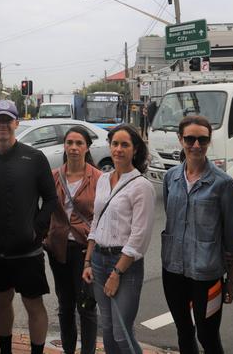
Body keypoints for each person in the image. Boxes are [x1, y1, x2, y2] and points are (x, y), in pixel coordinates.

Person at [0, 100, 58, 354]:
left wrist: (38, 229)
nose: (2, 125)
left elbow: (51, 198)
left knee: (33, 304)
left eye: (7, 120)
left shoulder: (34, 157)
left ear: (16, 123)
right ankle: (5, 351)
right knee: (1, 301)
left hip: (28, 251)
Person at [161, 115, 233, 354]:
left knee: (208, 336)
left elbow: (231, 235)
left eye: (202, 139)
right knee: (184, 331)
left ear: (209, 140)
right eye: (190, 139)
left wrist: (231, 279)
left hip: (208, 273)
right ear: (180, 139)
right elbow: (172, 220)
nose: (196, 145)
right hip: (173, 269)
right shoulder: (170, 178)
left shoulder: (223, 184)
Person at [82, 124, 155, 354]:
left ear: (135, 150)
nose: (119, 149)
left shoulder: (142, 186)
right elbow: (96, 222)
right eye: (115, 144)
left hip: (125, 266)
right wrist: (87, 261)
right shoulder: (103, 179)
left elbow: (139, 237)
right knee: (108, 329)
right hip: (99, 261)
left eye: (125, 144)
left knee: (122, 333)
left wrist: (117, 273)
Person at [44, 126, 102, 354]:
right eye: (70, 143)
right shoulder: (54, 177)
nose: (74, 148)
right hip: (58, 248)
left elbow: (101, 216)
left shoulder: (99, 178)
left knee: (86, 306)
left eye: (79, 143)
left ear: (87, 147)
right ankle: (68, 350)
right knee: (65, 306)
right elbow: (44, 208)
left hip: (85, 250)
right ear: (64, 147)